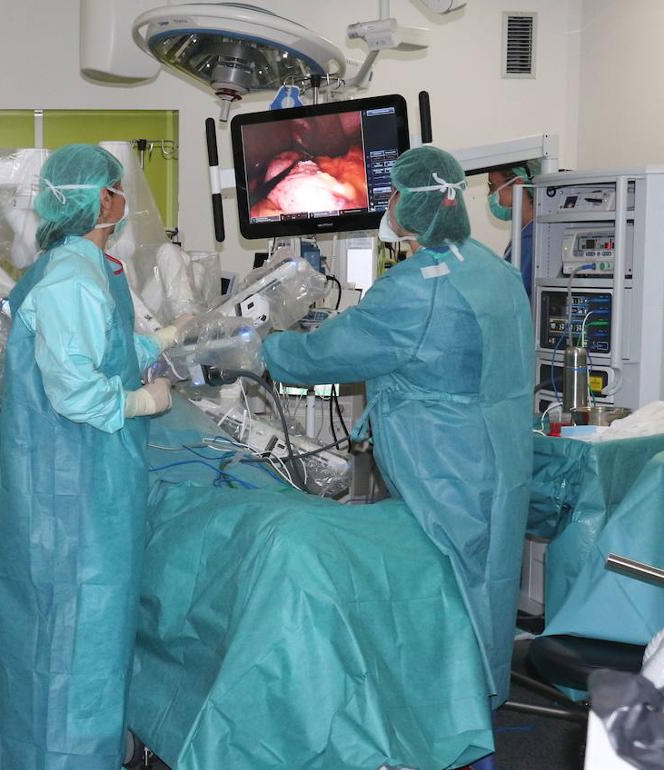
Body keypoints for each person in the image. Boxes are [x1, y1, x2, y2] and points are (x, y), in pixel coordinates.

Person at [262, 146, 534, 714]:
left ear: (416, 204)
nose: (389, 204)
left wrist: (259, 348)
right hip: (500, 457)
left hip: (443, 464)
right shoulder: (496, 270)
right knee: (488, 581)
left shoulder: (417, 286)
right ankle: (478, 707)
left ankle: (446, 720)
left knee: (443, 591)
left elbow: (329, 353)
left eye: (394, 195)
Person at [0, 144, 188, 769]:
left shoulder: (84, 267)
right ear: (100, 199)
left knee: (75, 641)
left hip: (83, 484)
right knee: (75, 643)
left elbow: (98, 339)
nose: (124, 197)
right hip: (70, 491)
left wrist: (156, 339)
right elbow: (76, 390)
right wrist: (143, 402)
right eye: (117, 187)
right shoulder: (72, 278)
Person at [487, 160, 539, 300]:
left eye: (492, 185)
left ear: (518, 184)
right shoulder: (521, 237)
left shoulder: (533, 240)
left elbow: (512, 294)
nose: (490, 194)